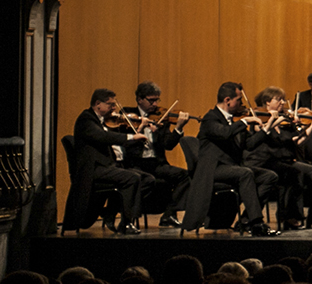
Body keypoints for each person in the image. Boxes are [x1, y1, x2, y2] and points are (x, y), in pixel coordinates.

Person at [183, 82, 277, 236]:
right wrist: (245, 121)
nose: (242, 104)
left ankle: (246, 220)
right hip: (212, 169)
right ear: (227, 100)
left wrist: (268, 127)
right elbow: (224, 133)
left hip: (232, 168)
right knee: (245, 173)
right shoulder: (210, 118)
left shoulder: (234, 121)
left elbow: (250, 144)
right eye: (239, 100)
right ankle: (257, 223)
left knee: (269, 176)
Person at [65, 88, 147, 233]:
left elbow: (115, 137)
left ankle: (111, 212)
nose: (114, 109)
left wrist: (138, 130)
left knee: (146, 178)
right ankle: (126, 223)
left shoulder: (104, 121)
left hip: (106, 166)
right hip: (93, 169)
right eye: (110, 105)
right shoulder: (86, 119)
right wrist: (131, 137)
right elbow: (103, 137)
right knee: (132, 178)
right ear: (98, 104)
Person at [244, 87, 312, 230]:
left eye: (283, 99)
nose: (282, 102)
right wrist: (275, 119)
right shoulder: (258, 120)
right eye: (278, 99)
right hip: (266, 162)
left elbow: (298, 140)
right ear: (267, 103)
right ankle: (289, 216)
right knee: (292, 173)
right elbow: (262, 131)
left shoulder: (285, 123)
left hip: (285, 161)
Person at [122, 81, 191, 228]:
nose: (154, 104)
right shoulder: (128, 117)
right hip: (136, 164)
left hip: (156, 163)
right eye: (151, 100)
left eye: (157, 100)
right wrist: (140, 129)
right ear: (139, 99)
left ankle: (169, 214)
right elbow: (125, 144)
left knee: (185, 175)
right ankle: (128, 219)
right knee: (148, 179)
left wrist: (178, 128)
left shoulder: (160, 118)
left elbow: (168, 145)